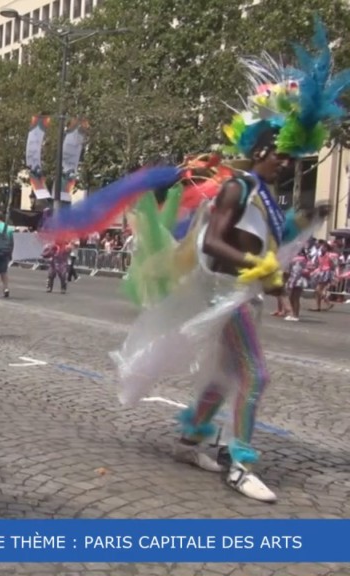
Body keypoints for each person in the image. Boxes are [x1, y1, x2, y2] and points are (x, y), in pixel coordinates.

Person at [80, 20, 343, 504]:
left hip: (242, 294)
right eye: (284, 155)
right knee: (253, 374)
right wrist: (259, 267)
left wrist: (306, 220)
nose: (289, 164)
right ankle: (240, 462)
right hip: (226, 295)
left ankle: (191, 437)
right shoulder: (236, 187)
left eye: (294, 158)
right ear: (261, 148)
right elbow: (214, 244)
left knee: (224, 376)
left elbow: (267, 238)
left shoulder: (263, 192)